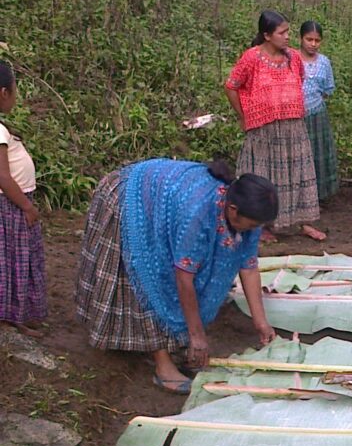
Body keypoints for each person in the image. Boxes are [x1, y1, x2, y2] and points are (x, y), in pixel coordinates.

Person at [75, 159, 279, 394]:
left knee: (178, 280)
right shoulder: (197, 212)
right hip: (132, 200)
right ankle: (162, 364)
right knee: (150, 276)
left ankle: (177, 345)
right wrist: (197, 336)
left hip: (167, 204)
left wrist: (261, 323)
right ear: (233, 210)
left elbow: (249, 266)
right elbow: (183, 278)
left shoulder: (247, 217)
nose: (254, 230)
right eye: (252, 224)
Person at [225, 9, 324, 241]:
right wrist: (244, 116)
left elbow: (298, 81)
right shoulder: (251, 58)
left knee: (298, 173)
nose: (287, 37)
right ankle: (262, 225)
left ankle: (303, 222)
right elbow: (231, 86)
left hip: (293, 127)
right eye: (282, 33)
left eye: (289, 32)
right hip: (263, 129)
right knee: (265, 176)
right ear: (267, 35)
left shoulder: (294, 58)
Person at [0, 61, 46, 337]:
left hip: (12, 203)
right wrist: (27, 206)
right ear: (4, 92)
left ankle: (14, 314)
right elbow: (3, 177)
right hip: (11, 205)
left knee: (14, 261)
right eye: (15, 91)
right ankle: (12, 316)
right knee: (15, 262)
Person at [298, 20, 339, 203]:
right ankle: (298, 196)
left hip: (317, 115)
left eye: (317, 40)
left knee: (317, 154)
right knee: (298, 155)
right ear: (301, 39)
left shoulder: (324, 62)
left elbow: (327, 89)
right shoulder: (292, 59)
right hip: (295, 116)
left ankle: (317, 196)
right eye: (309, 39)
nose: (313, 44)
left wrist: (315, 103)